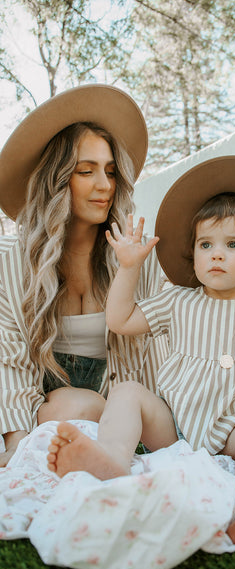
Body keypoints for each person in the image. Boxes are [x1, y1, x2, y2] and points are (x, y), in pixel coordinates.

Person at [47, 156, 235, 569]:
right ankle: (110, 456)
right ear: (194, 256)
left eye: (232, 245)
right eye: (206, 245)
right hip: (177, 425)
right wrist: (129, 267)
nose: (216, 255)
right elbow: (120, 320)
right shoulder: (178, 300)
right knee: (127, 391)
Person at [0, 84, 168, 467]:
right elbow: (7, 359)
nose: (105, 186)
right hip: (37, 403)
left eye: (110, 171)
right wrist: (16, 443)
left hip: (120, 403)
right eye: (85, 171)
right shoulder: (11, 260)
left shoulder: (137, 256)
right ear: (57, 180)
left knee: (90, 405)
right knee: (75, 405)